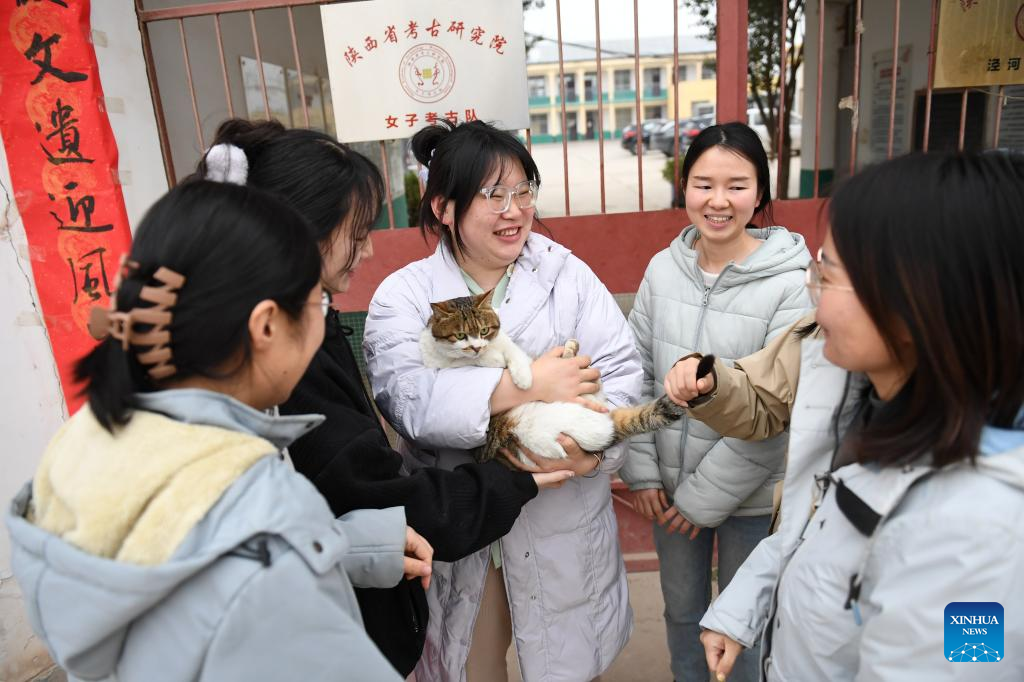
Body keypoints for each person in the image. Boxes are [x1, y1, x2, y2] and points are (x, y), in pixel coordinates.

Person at [5, 180, 432, 680]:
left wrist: (343, 544)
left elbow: (199, 573)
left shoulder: (88, 440)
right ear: (266, 325)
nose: (323, 314)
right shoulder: (257, 501)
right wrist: (289, 537)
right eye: (318, 300)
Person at [195, 119, 575, 676]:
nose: (368, 249)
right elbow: (390, 460)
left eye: (522, 192)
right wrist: (519, 428)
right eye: (355, 234)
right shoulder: (284, 350)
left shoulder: (297, 317)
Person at [669, 152, 1024, 681]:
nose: (813, 295)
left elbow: (965, 662)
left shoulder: (981, 535)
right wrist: (740, 610)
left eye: (827, 275)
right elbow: (814, 530)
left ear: (918, 304)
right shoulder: (860, 396)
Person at [363, 120, 643, 682]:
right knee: (473, 665)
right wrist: (528, 384)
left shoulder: (567, 275)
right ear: (444, 208)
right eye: (493, 195)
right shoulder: (406, 294)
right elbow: (408, 399)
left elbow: (621, 370)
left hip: (562, 518)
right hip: (467, 527)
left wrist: (592, 452)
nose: (514, 211)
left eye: (523, 191)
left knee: (566, 664)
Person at [620, 121, 811, 682]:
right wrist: (643, 473)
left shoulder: (792, 284)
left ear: (761, 192)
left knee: (742, 626)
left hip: (750, 497)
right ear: (684, 187)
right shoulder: (663, 269)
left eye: (737, 185)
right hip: (667, 493)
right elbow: (634, 373)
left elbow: (778, 410)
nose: (718, 201)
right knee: (682, 615)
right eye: (704, 184)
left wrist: (699, 502)